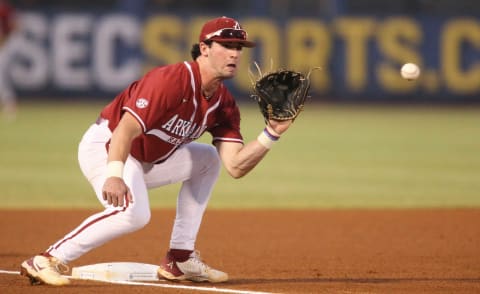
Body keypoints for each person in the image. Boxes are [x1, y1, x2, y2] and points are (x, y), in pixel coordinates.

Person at [20, 16, 292, 286]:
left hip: (148, 157)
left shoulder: (224, 104)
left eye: (238, 48)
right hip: (108, 146)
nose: (234, 53)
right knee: (133, 214)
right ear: (205, 48)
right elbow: (125, 129)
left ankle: (180, 259)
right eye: (226, 45)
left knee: (208, 160)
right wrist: (114, 174)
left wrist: (270, 134)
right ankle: (46, 259)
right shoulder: (172, 80)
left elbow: (235, 166)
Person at [0, 0, 18, 120]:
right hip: (5, 42)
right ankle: (9, 103)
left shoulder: (3, 7)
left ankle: (9, 103)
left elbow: (15, 24)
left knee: (1, 73)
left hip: (7, 43)